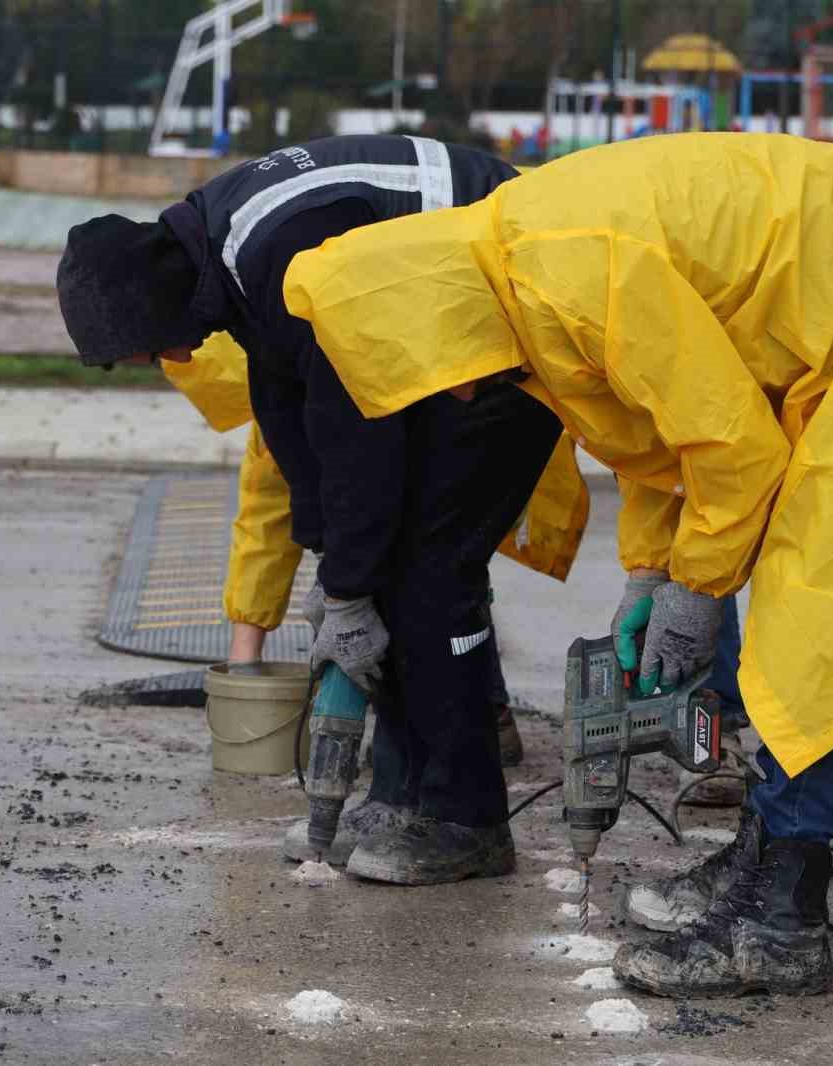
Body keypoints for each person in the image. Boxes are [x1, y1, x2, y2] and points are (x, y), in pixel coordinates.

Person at [280, 133, 833, 995]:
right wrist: (651, 570)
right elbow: (659, 432)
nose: (457, 395)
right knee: (793, 616)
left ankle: (779, 926)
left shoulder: (564, 269)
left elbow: (730, 449)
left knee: (811, 632)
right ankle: (762, 858)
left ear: (430, 316)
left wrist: (697, 589)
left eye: (438, 379)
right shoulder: (516, 277)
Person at [56, 134, 571, 885]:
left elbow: (359, 424)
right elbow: (288, 406)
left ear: (157, 302)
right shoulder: (226, 251)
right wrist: (333, 563)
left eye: (148, 348)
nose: (166, 362)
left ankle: (467, 818)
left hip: (515, 319)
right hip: (446, 328)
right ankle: (402, 795)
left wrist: (350, 582)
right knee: (387, 570)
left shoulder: (277, 249)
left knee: (430, 574)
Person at [161, 330, 595, 771]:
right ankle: (435, 728)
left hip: (476, 418)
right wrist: (245, 659)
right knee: (391, 585)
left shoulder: (344, 353)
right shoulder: (286, 383)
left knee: (437, 573)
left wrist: (347, 583)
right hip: (407, 431)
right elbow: (266, 513)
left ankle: (475, 721)